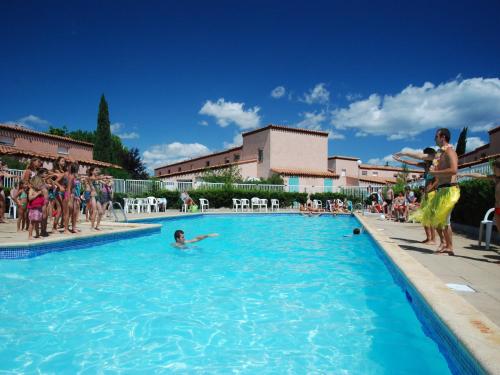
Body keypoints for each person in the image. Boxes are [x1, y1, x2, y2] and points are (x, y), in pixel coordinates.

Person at [394, 147, 438, 244]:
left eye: (425, 155)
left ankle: (433, 239)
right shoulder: (425, 165)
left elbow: (437, 180)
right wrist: (400, 160)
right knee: (424, 216)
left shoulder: (435, 166)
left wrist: (429, 190)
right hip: (426, 194)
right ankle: (428, 237)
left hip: (432, 193)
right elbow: (412, 163)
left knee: (430, 216)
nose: (423, 157)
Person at [427, 128, 460, 255]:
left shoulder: (450, 151)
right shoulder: (439, 153)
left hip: (450, 189)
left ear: (443, 137)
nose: (434, 139)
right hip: (441, 190)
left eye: (436, 136)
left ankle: (449, 246)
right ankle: (444, 243)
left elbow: (454, 170)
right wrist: (404, 155)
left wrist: (435, 172)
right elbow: (422, 156)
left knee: (445, 219)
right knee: (435, 218)